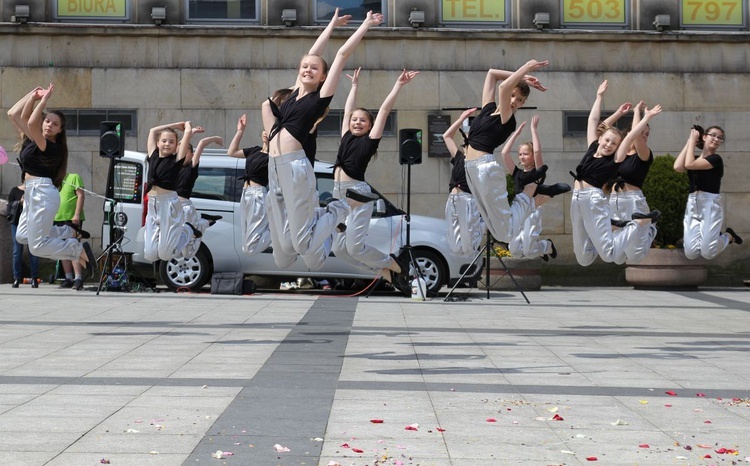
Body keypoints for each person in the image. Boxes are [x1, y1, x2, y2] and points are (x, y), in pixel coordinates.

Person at [262, 9, 383, 270]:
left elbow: (341, 55)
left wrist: (365, 24)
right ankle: (321, 219)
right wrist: (330, 25)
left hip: (295, 166)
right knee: (283, 252)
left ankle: (338, 208)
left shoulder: (318, 99)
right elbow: (313, 53)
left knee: (303, 244)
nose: (308, 70)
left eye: (314, 69)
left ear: (323, 77)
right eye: (304, 67)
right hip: (274, 167)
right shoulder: (293, 93)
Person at [330, 67, 418, 295]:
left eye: (363, 121)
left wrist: (398, 85)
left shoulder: (370, 141)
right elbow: (348, 109)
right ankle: (383, 271)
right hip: (340, 194)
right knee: (339, 250)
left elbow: (385, 110)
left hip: (358, 195)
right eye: (354, 120)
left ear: (370, 126)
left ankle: (391, 263)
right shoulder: (346, 136)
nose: (357, 122)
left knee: (354, 247)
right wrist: (355, 86)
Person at [462, 59, 564, 246]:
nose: (515, 102)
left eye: (520, 100)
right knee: (496, 230)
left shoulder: (507, 119)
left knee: (505, 234)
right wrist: (524, 77)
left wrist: (525, 68)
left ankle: (529, 197)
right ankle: (533, 196)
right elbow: (492, 73)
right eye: (515, 96)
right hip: (470, 168)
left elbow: (503, 89)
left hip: (485, 169)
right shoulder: (488, 110)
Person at [569, 80, 662, 267]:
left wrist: (646, 117)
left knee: (609, 254)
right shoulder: (592, 147)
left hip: (593, 200)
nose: (609, 145)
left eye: (613, 144)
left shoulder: (614, 160)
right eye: (607, 140)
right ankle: (615, 228)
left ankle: (638, 223)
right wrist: (599, 96)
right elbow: (593, 121)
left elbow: (629, 137)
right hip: (576, 199)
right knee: (583, 258)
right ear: (600, 138)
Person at [7, 84, 95, 275]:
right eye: (47, 121)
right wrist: (33, 95)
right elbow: (13, 114)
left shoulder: (51, 146)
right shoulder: (33, 140)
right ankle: (68, 232)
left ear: (60, 131)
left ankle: (75, 248)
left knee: (36, 247)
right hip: (31, 192)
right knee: (22, 236)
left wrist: (44, 100)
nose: (49, 125)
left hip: (43, 193)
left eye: (55, 124)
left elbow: (30, 123)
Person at [227, 89, 293, 257]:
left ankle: (281, 229)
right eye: (265, 129)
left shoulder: (275, 154)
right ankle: (279, 227)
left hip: (258, 195)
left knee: (251, 248)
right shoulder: (255, 150)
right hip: (245, 193)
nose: (266, 132)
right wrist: (240, 131)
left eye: (270, 130)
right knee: (246, 244)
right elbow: (232, 152)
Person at [501, 115, 567, 261]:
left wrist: (533, 130)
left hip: (532, 210)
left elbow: (537, 152)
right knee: (516, 252)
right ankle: (540, 248)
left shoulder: (537, 173)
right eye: (520, 154)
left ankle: (546, 246)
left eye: (526, 154)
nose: (522, 156)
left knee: (529, 251)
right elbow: (504, 154)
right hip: (518, 210)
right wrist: (515, 134)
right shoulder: (517, 173)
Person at [673, 125, 742, 259]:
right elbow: (677, 166)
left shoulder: (715, 159)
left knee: (708, 253)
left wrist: (694, 140)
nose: (716, 139)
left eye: (720, 138)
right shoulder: (694, 158)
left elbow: (689, 165)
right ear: (704, 137)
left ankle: (728, 236)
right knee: (691, 253)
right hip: (692, 203)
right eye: (714, 135)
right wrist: (689, 141)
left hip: (710, 203)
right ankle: (717, 237)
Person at [606, 100, 658, 263]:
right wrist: (620, 113)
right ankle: (648, 222)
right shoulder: (617, 154)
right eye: (643, 132)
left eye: (647, 134)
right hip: (614, 202)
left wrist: (637, 112)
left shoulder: (643, 155)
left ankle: (650, 226)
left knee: (635, 256)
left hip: (634, 202)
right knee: (616, 256)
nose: (644, 136)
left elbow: (636, 137)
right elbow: (601, 130)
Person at [143, 121, 198, 262]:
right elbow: (152, 130)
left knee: (165, 256)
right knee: (149, 254)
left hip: (168, 204)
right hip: (153, 205)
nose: (167, 144)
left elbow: (186, 135)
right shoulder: (153, 155)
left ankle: (188, 230)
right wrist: (175, 125)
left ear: (176, 146)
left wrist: (187, 127)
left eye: (171, 142)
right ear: (158, 143)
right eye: (164, 141)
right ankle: (184, 231)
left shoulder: (176, 159)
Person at [442, 107, 485, 257]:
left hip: (468, 200)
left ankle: (482, 222)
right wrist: (461, 119)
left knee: (469, 248)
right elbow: (447, 136)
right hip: (453, 199)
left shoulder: (479, 161)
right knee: (455, 248)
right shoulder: (459, 157)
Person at [175, 122, 222, 259]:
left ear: (191, 154)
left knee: (187, 253)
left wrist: (215, 139)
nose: (181, 154)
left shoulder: (192, 167)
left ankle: (203, 223)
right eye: (179, 152)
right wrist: (191, 132)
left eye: (185, 152)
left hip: (184, 206)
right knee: (176, 247)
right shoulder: (173, 167)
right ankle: (203, 222)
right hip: (173, 206)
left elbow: (201, 143)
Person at [54, 172, 88, 289]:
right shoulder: (54, 181)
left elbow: (81, 195)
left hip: (72, 219)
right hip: (58, 218)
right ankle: (68, 277)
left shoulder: (74, 177)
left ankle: (78, 278)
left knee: (74, 246)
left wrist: (77, 214)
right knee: (62, 248)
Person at [7, 172, 40, 288]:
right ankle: (16, 278)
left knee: (33, 251)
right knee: (17, 251)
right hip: (17, 223)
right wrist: (19, 203)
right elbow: (9, 207)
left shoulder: (36, 191)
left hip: (32, 223)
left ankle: (35, 278)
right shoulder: (15, 191)